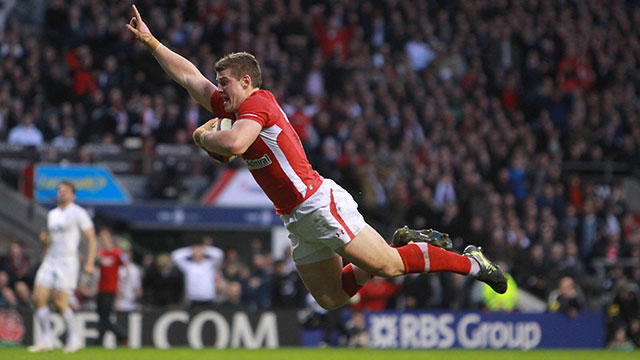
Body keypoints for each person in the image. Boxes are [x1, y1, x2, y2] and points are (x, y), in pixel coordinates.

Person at [125, 5, 507, 311]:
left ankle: (472, 262)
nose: (218, 89)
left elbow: (236, 145)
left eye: (224, 82)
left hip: (316, 203)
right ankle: (391, 243)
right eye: (219, 83)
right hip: (296, 217)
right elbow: (190, 78)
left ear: (246, 81)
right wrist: (153, 43)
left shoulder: (257, 103)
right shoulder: (234, 107)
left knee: (389, 267)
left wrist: (200, 137)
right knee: (331, 298)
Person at [28, 181, 96, 353]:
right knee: (38, 297)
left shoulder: (78, 213)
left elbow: (91, 238)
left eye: (65, 191)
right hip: (51, 259)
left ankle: (75, 338)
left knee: (60, 302)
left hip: (68, 261)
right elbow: (50, 239)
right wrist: (45, 239)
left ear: (73, 194)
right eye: (59, 190)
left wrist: (89, 262)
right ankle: (46, 339)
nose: (61, 193)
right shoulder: (52, 214)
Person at [95, 227, 128, 346]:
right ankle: (121, 336)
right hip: (101, 288)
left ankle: (100, 341)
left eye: (105, 236)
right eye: (101, 237)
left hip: (111, 289)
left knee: (105, 316)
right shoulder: (100, 253)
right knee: (102, 316)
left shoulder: (117, 253)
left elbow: (126, 268)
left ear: (109, 237)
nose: (103, 239)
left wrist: (122, 286)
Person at [170, 241, 224, 310]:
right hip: (193, 300)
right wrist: (191, 250)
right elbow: (175, 256)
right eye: (196, 253)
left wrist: (204, 249)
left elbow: (219, 254)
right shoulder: (188, 266)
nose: (198, 254)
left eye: (200, 252)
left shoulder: (209, 264)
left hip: (208, 299)